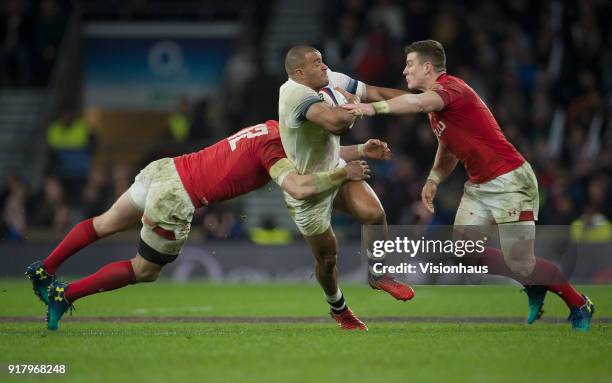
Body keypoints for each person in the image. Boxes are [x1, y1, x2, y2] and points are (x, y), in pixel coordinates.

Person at [26, 120, 386, 331]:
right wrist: (344, 171)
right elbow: (297, 184)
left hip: (166, 169)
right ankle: (64, 296)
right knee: (145, 270)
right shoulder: (275, 151)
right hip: (176, 197)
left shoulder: (273, 128)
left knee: (103, 223)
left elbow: (310, 155)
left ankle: (44, 268)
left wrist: (358, 151)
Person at [342, 39, 595, 331]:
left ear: (428, 67)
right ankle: (532, 281)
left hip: (510, 179)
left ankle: (579, 303)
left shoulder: (451, 89)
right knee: (463, 251)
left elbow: (416, 102)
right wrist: (434, 179)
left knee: (522, 262)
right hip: (479, 185)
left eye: (410, 64)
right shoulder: (438, 106)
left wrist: (369, 109)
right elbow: (448, 146)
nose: (404, 70)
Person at [279, 45, 414, 331]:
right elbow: (335, 123)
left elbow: (377, 94)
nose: (325, 66)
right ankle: (338, 307)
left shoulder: (331, 81)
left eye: (323, 60)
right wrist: (353, 105)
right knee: (327, 260)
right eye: (317, 63)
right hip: (308, 186)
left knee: (374, 214)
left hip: (337, 167)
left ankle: (378, 274)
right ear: (300, 73)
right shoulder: (294, 93)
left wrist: (424, 101)